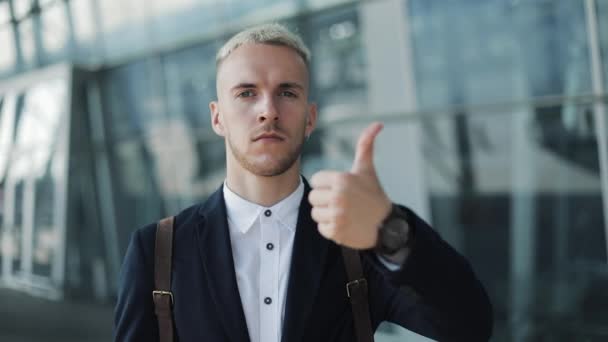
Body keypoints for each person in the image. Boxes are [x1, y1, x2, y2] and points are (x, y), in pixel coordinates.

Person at [114, 23, 493, 342]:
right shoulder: (158, 250)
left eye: (287, 92)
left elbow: (469, 326)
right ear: (218, 118)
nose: (268, 110)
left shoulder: (357, 240)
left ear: (310, 118)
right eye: (247, 93)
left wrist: (389, 230)